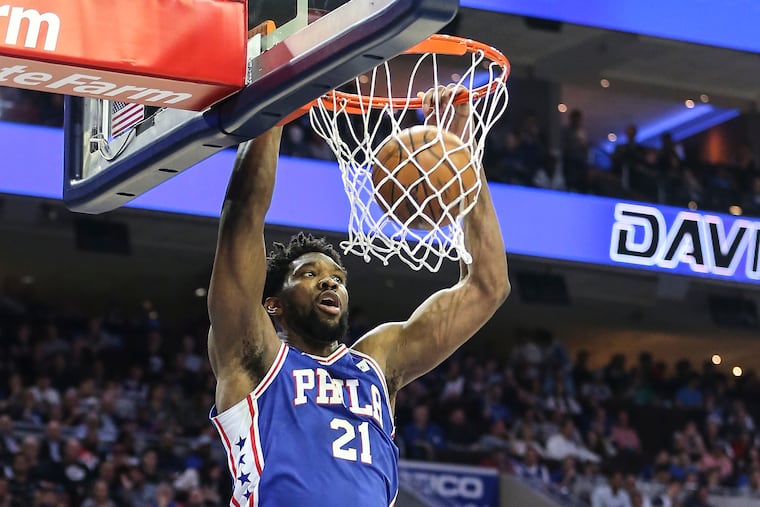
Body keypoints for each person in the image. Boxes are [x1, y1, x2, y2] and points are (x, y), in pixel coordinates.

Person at [206, 85, 510, 506]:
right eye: (310, 274)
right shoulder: (254, 355)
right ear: (271, 302)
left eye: (337, 277)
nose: (329, 283)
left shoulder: (377, 361)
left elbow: (487, 286)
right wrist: (274, 104)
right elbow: (242, 216)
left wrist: (461, 155)